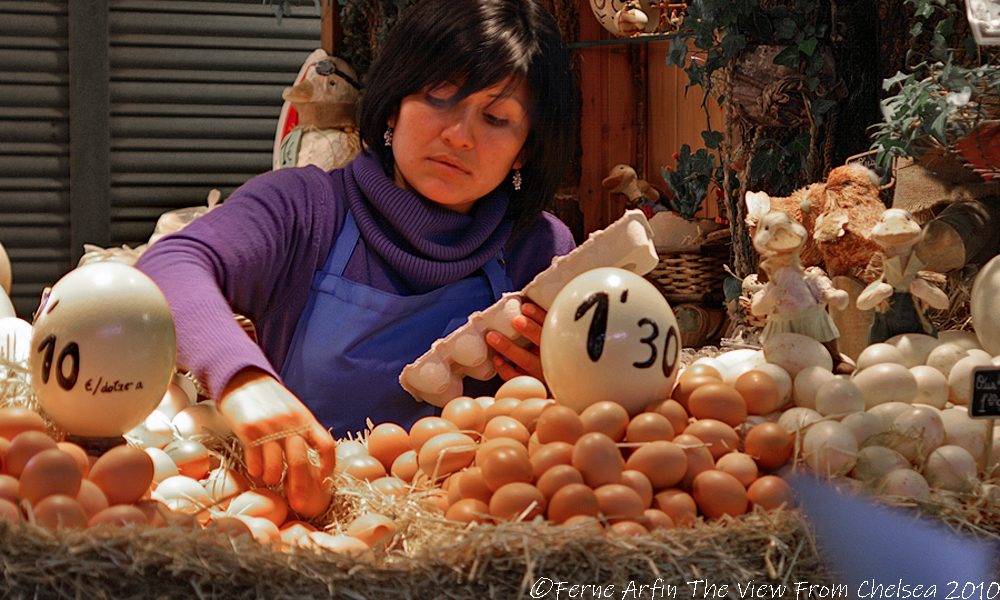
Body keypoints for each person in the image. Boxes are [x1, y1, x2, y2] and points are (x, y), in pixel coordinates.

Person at [134, 0, 578, 517]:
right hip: (314, 533)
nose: (459, 134)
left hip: (473, 540)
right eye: (439, 98)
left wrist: (568, 378)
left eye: (496, 118)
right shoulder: (305, 209)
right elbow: (169, 266)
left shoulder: (542, 253)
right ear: (394, 105)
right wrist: (243, 380)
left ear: (525, 148)